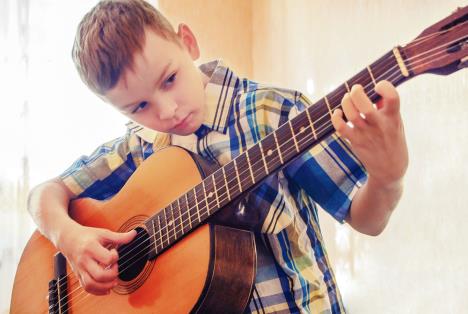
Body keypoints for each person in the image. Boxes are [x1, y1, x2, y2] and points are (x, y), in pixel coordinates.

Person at [27, 0, 409, 313]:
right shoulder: (137, 148)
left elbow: (367, 219)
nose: (167, 111)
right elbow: (44, 194)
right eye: (139, 105)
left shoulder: (272, 113)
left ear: (187, 43)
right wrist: (70, 237)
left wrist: (388, 178)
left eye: (169, 79)